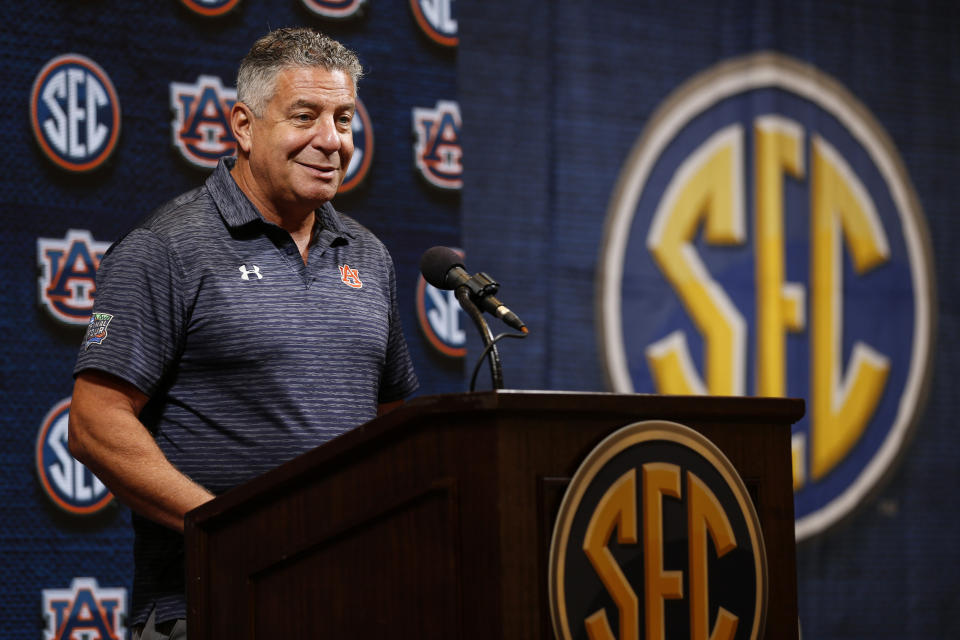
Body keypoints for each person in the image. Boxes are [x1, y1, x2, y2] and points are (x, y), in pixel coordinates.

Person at [68, 27, 418, 639]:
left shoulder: (369, 254)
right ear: (244, 126)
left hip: (352, 603)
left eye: (343, 119)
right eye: (304, 115)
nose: (330, 140)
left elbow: (389, 424)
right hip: (210, 605)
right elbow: (96, 424)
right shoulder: (165, 247)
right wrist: (236, 530)